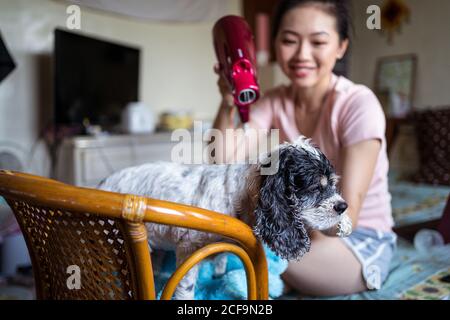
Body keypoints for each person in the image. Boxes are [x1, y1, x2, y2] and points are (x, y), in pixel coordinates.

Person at [211, 0, 397, 296]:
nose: (302, 55)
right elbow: (221, 161)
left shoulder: (358, 104)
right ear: (275, 44)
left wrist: (272, 224)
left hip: (355, 239)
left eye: (318, 42)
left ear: (341, 47)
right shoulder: (274, 100)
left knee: (234, 242)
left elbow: (343, 219)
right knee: (226, 239)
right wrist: (228, 101)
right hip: (305, 230)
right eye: (289, 41)